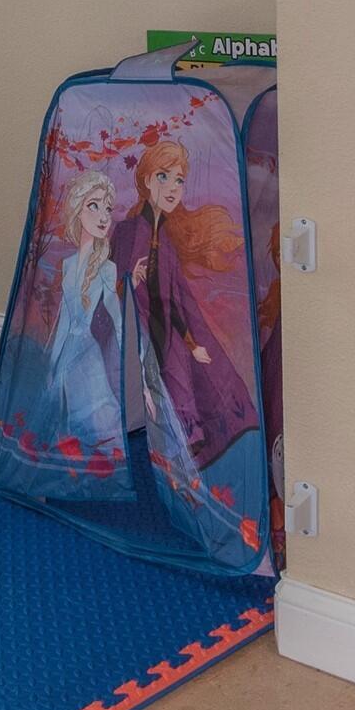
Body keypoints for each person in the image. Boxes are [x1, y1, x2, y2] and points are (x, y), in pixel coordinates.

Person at [111, 138, 260, 473]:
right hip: (142, 334)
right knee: (173, 390)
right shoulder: (129, 231)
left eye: (179, 180)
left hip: (166, 331)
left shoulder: (165, 238)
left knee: (193, 380)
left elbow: (178, 298)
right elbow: (117, 289)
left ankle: (184, 457)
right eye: (164, 176)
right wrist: (130, 284)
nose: (173, 187)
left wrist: (193, 342)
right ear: (146, 179)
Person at [39, 170, 127, 454]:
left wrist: (129, 358)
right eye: (94, 206)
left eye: (108, 209)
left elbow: (117, 319)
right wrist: (53, 360)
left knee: (99, 417)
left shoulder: (107, 268)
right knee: (59, 398)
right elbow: (65, 319)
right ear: (78, 210)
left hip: (89, 354)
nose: (104, 216)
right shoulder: (67, 266)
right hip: (69, 349)